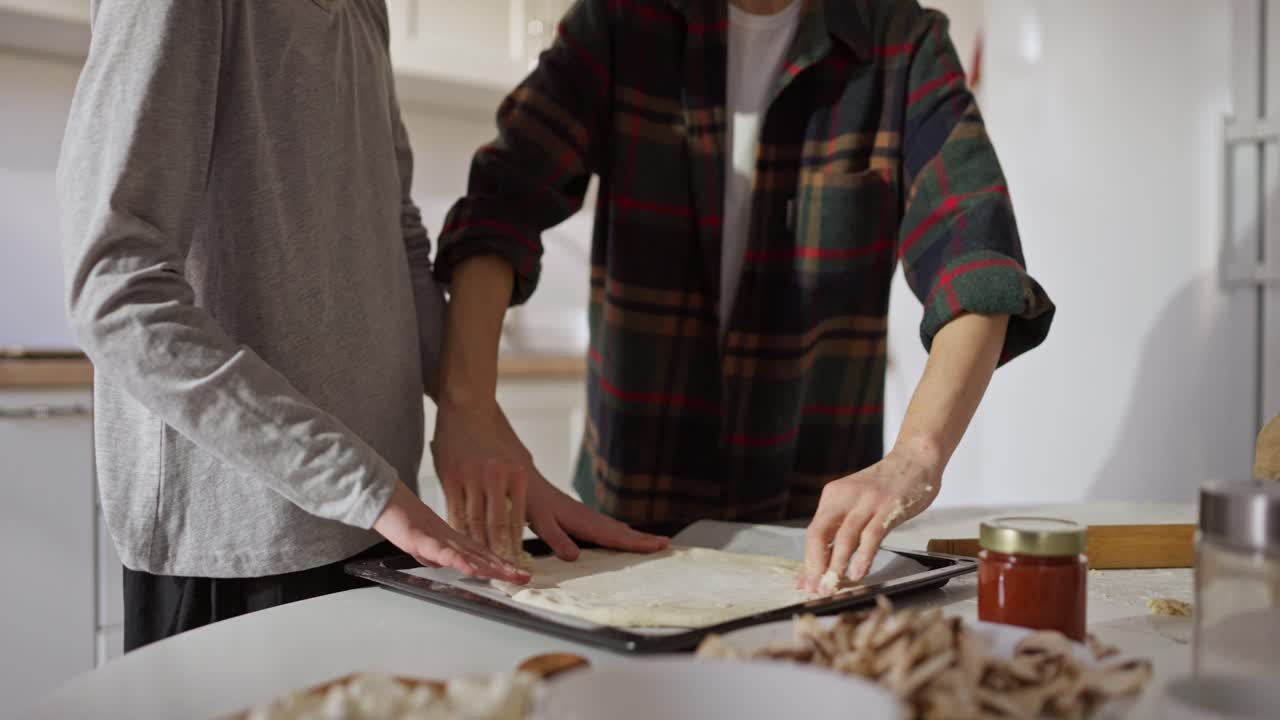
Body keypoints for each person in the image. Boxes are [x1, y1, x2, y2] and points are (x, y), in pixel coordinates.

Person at [56, 0, 661, 652]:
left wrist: (479, 424)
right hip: (242, 549)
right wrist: (363, 487)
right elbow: (116, 295)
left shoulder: (364, 9)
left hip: (375, 526)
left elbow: (396, 239)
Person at [431, 0, 1055, 591]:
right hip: (625, 522)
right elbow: (501, 204)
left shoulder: (901, 41)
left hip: (814, 534)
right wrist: (468, 406)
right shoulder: (621, 19)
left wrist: (916, 457)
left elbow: (974, 251)